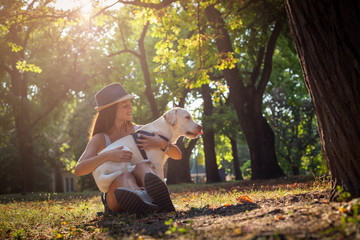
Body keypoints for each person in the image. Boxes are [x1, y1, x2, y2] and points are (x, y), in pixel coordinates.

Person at [75, 83, 182, 214]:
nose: (131, 108)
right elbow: (79, 170)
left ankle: (150, 203)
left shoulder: (140, 131)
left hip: (142, 183)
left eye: (130, 104)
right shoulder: (101, 138)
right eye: (125, 106)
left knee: (143, 166)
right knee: (124, 176)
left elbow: (178, 155)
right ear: (111, 110)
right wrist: (107, 155)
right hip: (115, 197)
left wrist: (161, 143)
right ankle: (145, 201)